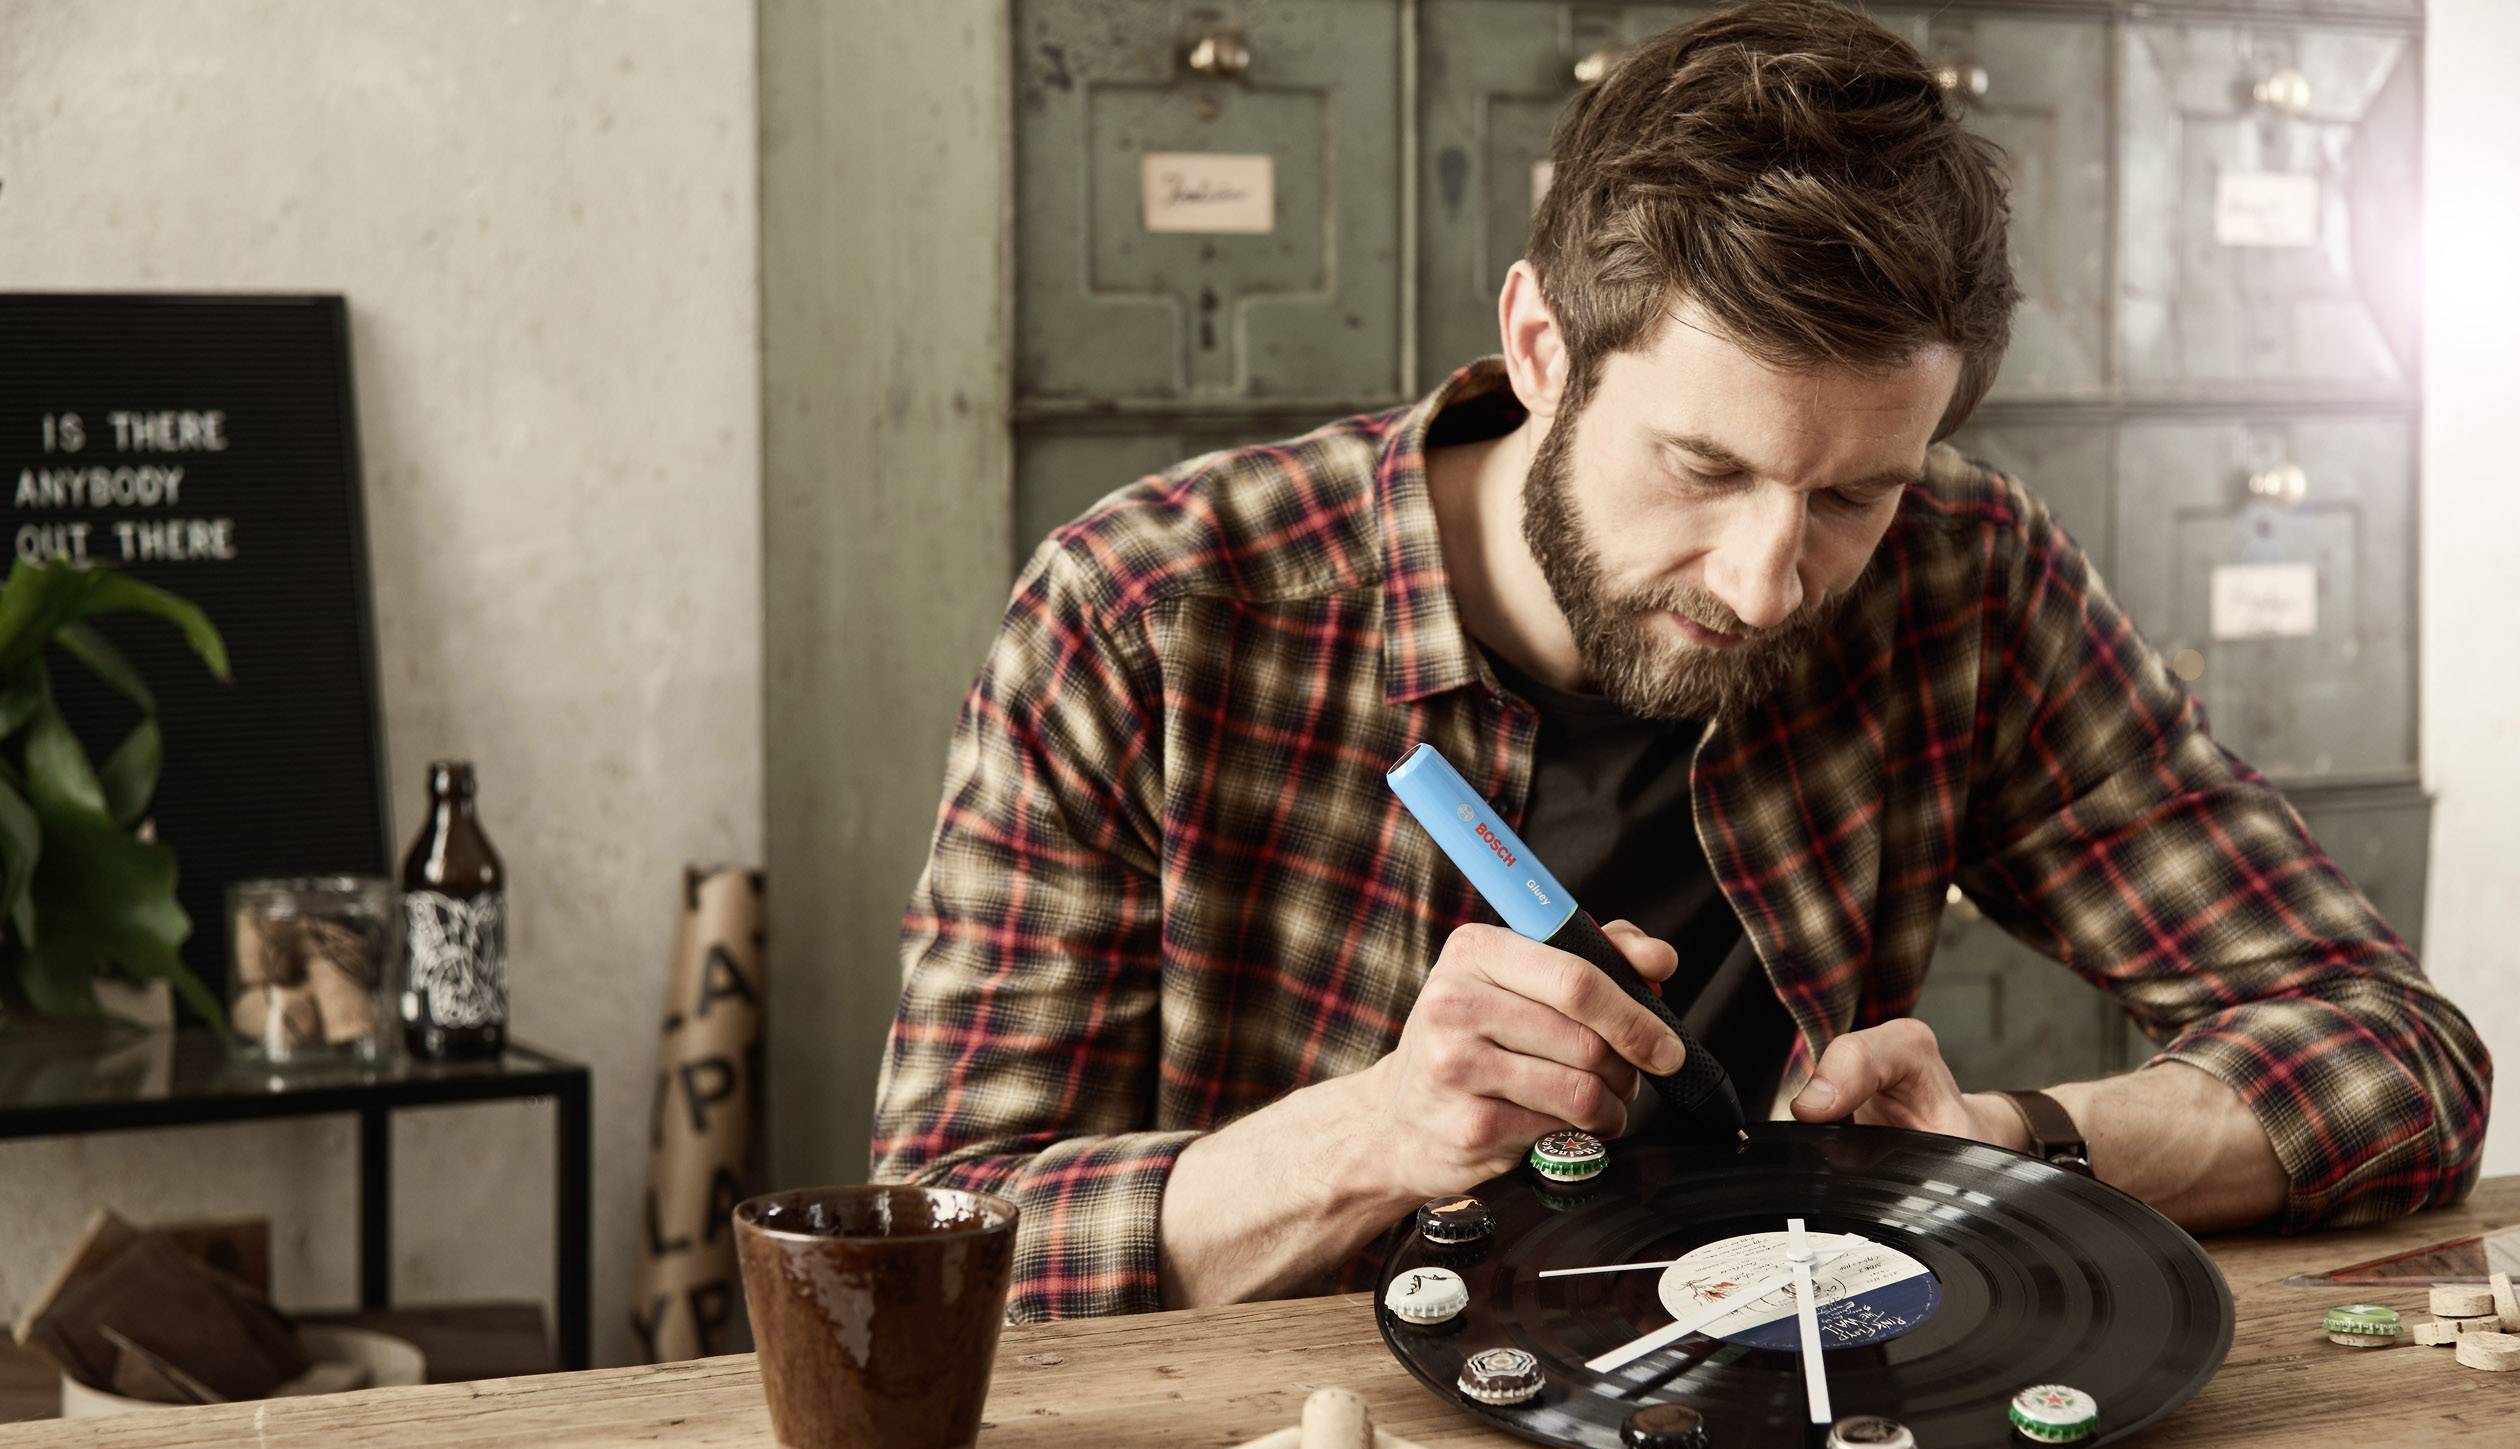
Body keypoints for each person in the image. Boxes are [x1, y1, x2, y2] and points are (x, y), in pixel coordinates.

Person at [873, 0, 2490, 1320]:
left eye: (1855, 489)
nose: (1772, 579)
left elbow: (2395, 1056)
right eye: (1706, 469)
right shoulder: (1146, 615)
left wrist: (2010, 1142)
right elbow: (940, 1232)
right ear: (1537, 346)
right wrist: (1376, 1135)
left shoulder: (1961, 576)